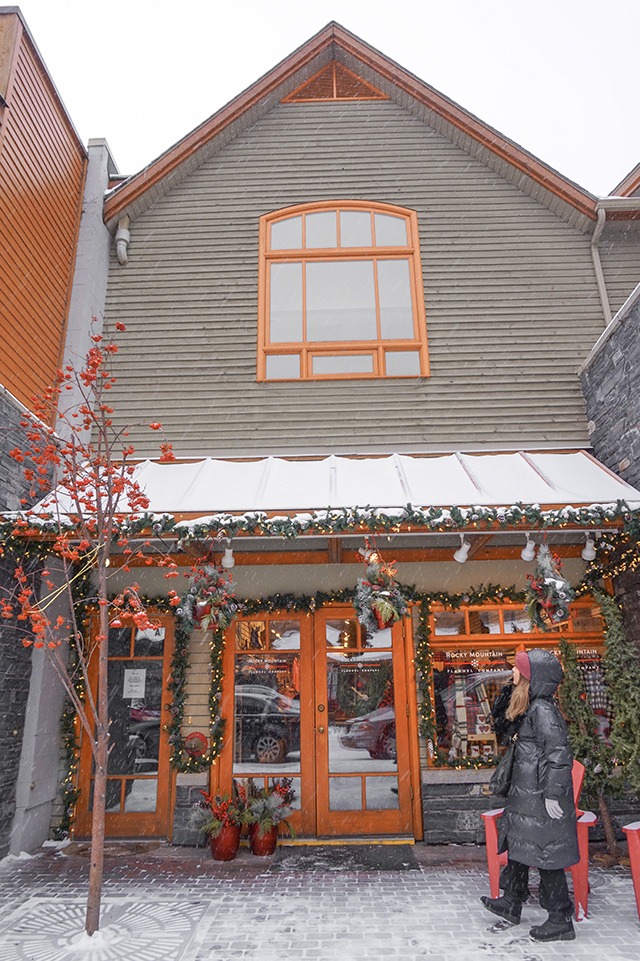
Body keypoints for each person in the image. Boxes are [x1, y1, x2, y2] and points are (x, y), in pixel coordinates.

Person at [481, 649, 579, 942]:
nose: (512, 671)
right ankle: (511, 902)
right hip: (526, 796)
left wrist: (552, 795)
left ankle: (560, 920)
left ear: (530, 677)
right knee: (519, 845)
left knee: (547, 854)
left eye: (517, 669)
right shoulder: (530, 705)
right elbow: (502, 722)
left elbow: (559, 755)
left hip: (540, 797)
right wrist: (510, 689)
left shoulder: (543, 710)